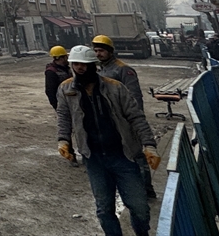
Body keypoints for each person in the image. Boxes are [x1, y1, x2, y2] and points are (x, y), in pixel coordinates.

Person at [57, 45, 159, 236]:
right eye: (75, 64)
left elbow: (135, 116)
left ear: (92, 66)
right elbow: (64, 116)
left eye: (83, 64)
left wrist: (149, 144)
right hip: (94, 158)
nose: (79, 68)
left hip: (123, 156)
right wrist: (63, 140)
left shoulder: (114, 87)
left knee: (139, 206)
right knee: (104, 209)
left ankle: (142, 233)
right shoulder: (66, 89)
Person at [92, 34, 152, 199]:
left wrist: (133, 120)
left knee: (136, 155)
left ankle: (146, 188)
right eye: (96, 51)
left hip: (126, 120)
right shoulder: (102, 70)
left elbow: (134, 97)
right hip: (110, 122)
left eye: (101, 51)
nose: (98, 54)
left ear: (110, 51)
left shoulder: (123, 70)